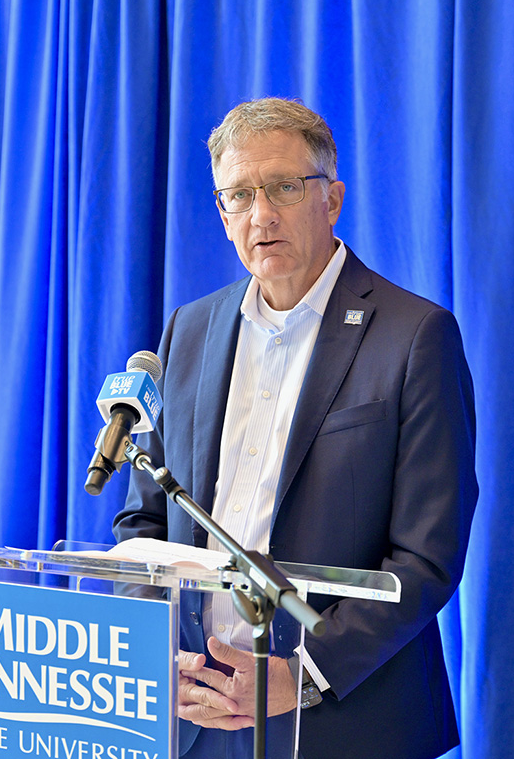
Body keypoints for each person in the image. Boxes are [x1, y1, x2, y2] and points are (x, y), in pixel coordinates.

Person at [113, 98, 478, 759]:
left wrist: (300, 679)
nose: (262, 214)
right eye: (240, 195)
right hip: (194, 717)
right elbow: (144, 524)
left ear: (331, 200)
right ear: (223, 215)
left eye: (284, 187)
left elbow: (427, 556)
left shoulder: (415, 336)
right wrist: (154, 658)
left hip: (346, 723)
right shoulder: (188, 331)